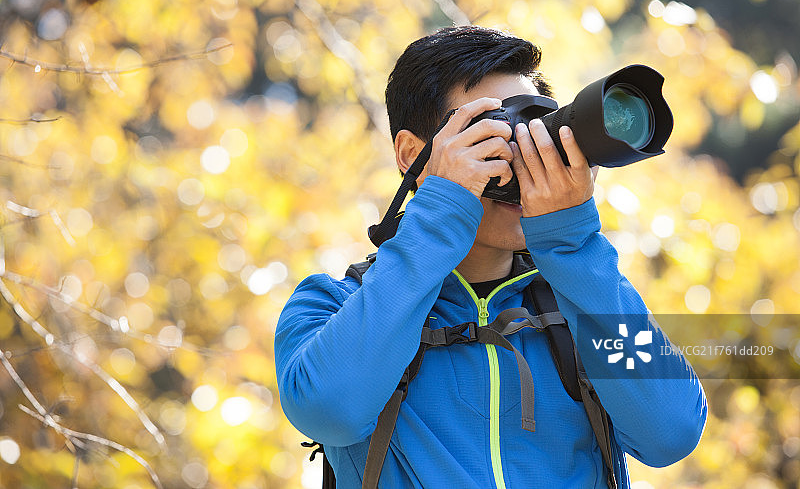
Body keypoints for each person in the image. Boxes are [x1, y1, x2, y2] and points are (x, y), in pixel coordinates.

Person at [275, 25, 707, 488]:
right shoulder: (331, 306)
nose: (521, 159)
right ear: (412, 154)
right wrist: (442, 210)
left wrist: (570, 245)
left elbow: (671, 434)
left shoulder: (580, 301)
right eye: (491, 134)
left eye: (534, 133)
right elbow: (330, 411)